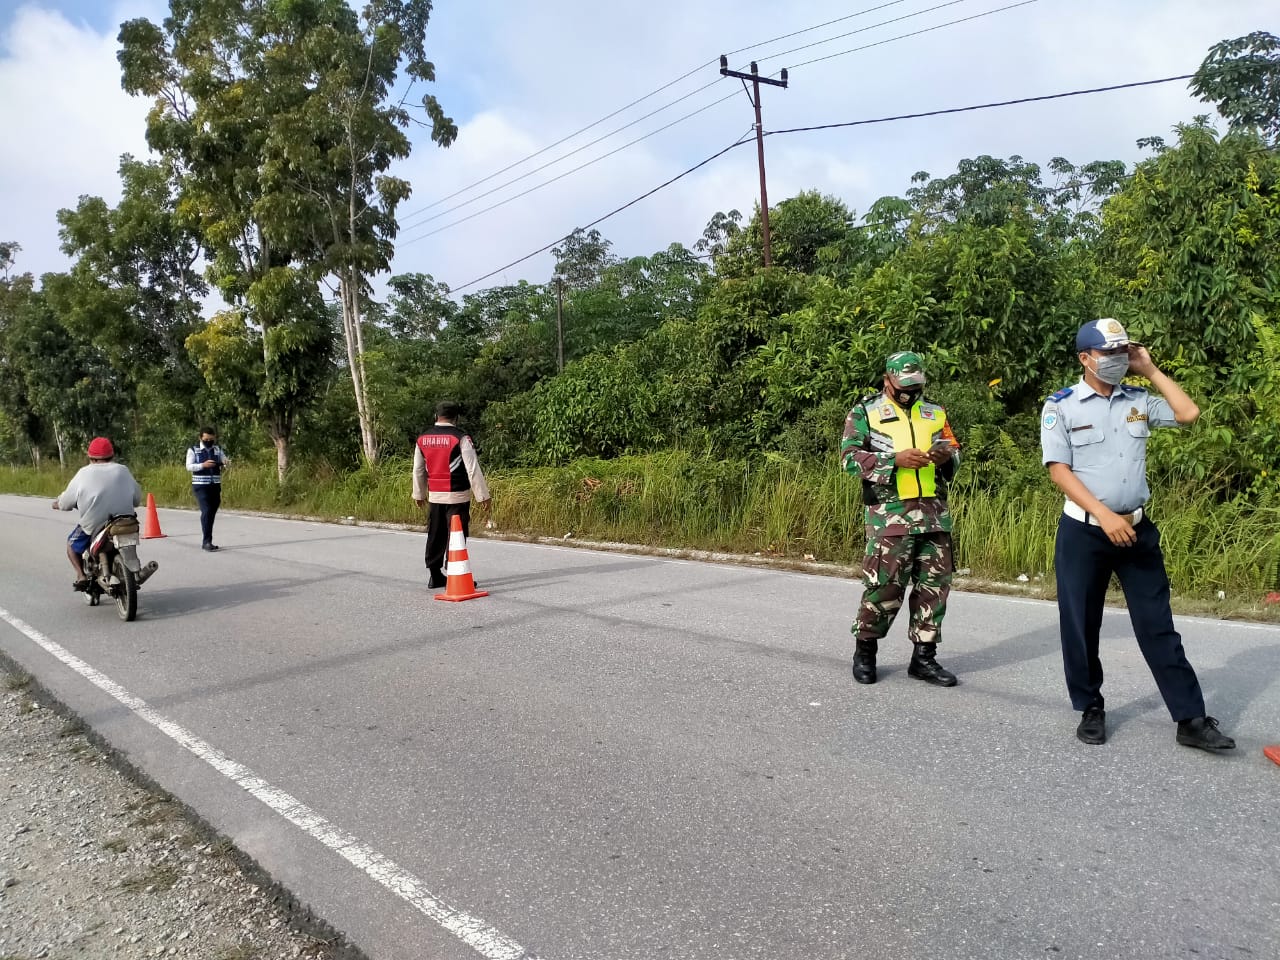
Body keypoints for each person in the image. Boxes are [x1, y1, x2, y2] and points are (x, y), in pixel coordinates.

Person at [1040, 318, 1234, 752]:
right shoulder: (1062, 406)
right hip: (1084, 533)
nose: (1116, 360)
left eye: (1122, 352)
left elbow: (1188, 414)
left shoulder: (1138, 400)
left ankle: (1190, 719)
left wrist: (1149, 370)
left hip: (1138, 530)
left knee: (1157, 625)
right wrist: (1103, 515)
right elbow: (1059, 470)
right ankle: (1090, 707)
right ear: (1085, 358)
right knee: (1080, 625)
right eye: (1109, 354)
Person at [841, 351, 961, 687]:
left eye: (916, 385)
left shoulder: (934, 412)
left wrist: (944, 457)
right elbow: (850, 458)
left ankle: (924, 659)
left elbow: (955, 452)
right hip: (890, 516)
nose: (910, 391)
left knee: (934, 588)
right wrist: (895, 460)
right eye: (903, 385)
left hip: (934, 514)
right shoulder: (866, 411)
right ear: (888, 380)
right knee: (884, 587)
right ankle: (865, 652)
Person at [413, 401, 491, 589]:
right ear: (456, 418)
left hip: (435, 496)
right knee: (456, 535)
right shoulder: (461, 438)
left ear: (436, 416)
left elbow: (418, 470)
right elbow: (472, 469)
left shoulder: (423, 438)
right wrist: (483, 496)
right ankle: (456, 573)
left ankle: (434, 575)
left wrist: (419, 494)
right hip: (457, 496)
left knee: (435, 534)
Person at [52, 436, 144, 589]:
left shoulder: (83, 473)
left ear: (91, 457)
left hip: (94, 525)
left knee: (71, 545)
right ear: (112, 455)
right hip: (126, 523)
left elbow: (66, 501)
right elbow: (137, 499)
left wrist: (58, 504)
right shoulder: (123, 470)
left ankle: (81, 576)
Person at [186, 426, 229, 551]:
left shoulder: (217, 449)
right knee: (207, 510)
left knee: (211, 511)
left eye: (211, 439)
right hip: (200, 486)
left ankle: (207, 537)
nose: (209, 441)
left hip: (215, 485)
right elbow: (189, 466)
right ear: (201, 438)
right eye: (206, 439)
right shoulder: (193, 450)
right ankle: (207, 541)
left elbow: (224, 460)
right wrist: (202, 465)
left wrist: (225, 462)